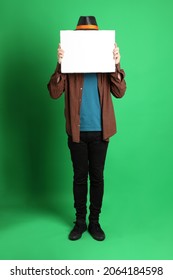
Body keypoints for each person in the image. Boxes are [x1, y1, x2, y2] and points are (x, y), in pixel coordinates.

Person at [47, 16, 126, 241]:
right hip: (77, 132)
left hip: (101, 132)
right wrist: (60, 64)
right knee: (80, 177)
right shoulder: (70, 63)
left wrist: (116, 63)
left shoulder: (105, 64)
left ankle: (95, 222)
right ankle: (80, 221)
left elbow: (120, 92)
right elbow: (54, 93)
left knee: (97, 177)